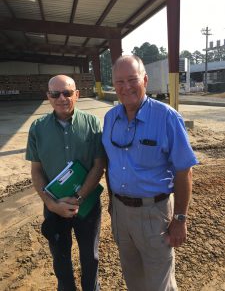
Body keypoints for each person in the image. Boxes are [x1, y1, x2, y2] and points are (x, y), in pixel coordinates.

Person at [102, 55, 198, 291]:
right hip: (121, 213)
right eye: (120, 82)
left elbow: (184, 170)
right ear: (113, 85)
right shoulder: (110, 118)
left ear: (145, 80)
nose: (126, 87)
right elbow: (109, 162)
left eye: (132, 79)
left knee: (159, 284)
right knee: (133, 278)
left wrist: (180, 219)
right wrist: (112, 204)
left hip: (154, 214)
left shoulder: (166, 117)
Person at [26, 74, 105, 291]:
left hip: (87, 205)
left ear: (77, 95)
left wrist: (79, 198)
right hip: (54, 206)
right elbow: (37, 170)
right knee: (60, 258)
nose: (62, 98)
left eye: (67, 93)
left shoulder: (92, 124)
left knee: (90, 256)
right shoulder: (37, 128)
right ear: (48, 97)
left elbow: (99, 165)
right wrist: (52, 205)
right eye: (55, 94)